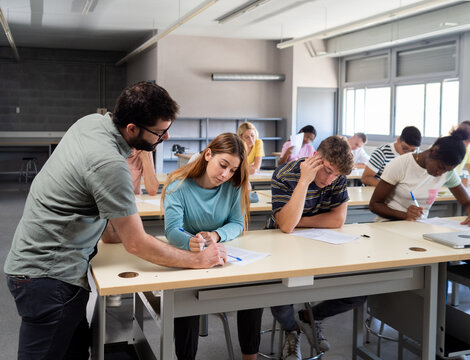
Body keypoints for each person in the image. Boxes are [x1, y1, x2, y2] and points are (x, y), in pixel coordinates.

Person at [4, 82, 227, 360]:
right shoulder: (110, 163)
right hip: (49, 276)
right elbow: (135, 244)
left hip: (45, 268)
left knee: (73, 352)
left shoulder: (92, 122)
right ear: (132, 128)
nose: (166, 137)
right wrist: (197, 260)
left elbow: (111, 230)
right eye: (159, 132)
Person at [162, 132, 263, 360]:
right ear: (208, 154)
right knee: (186, 304)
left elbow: (237, 223)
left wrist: (216, 236)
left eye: (233, 170)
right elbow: (173, 230)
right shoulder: (178, 185)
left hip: (224, 257)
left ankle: (250, 357)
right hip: (191, 258)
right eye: (223, 165)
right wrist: (193, 242)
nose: (226, 175)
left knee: (253, 292)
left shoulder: (233, 187)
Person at [266, 135, 365, 359]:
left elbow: (338, 220)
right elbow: (286, 228)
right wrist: (304, 181)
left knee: (359, 292)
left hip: (321, 245)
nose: (330, 179)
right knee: (279, 297)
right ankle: (293, 330)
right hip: (282, 247)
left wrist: (293, 220)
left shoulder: (336, 177)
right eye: (327, 170)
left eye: (337, 175)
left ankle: (310, 317)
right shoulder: (284, 174)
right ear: (315, 158)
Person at [369, 131, 470, 223]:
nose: (440, 173)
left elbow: (466, 202)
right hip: (389, 225)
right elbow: (375, 204)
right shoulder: (401, 164)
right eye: (440, 167)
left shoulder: (447, 173)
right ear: (434, 151)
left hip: (419, 227)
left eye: (447, 170)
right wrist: (405, 215)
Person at [451, 121, 470, 186]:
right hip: (439, 187)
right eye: (467, 141)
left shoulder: (467, 149)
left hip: (453, 184)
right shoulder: (445, 147)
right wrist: (458, 181)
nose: (468, 145)